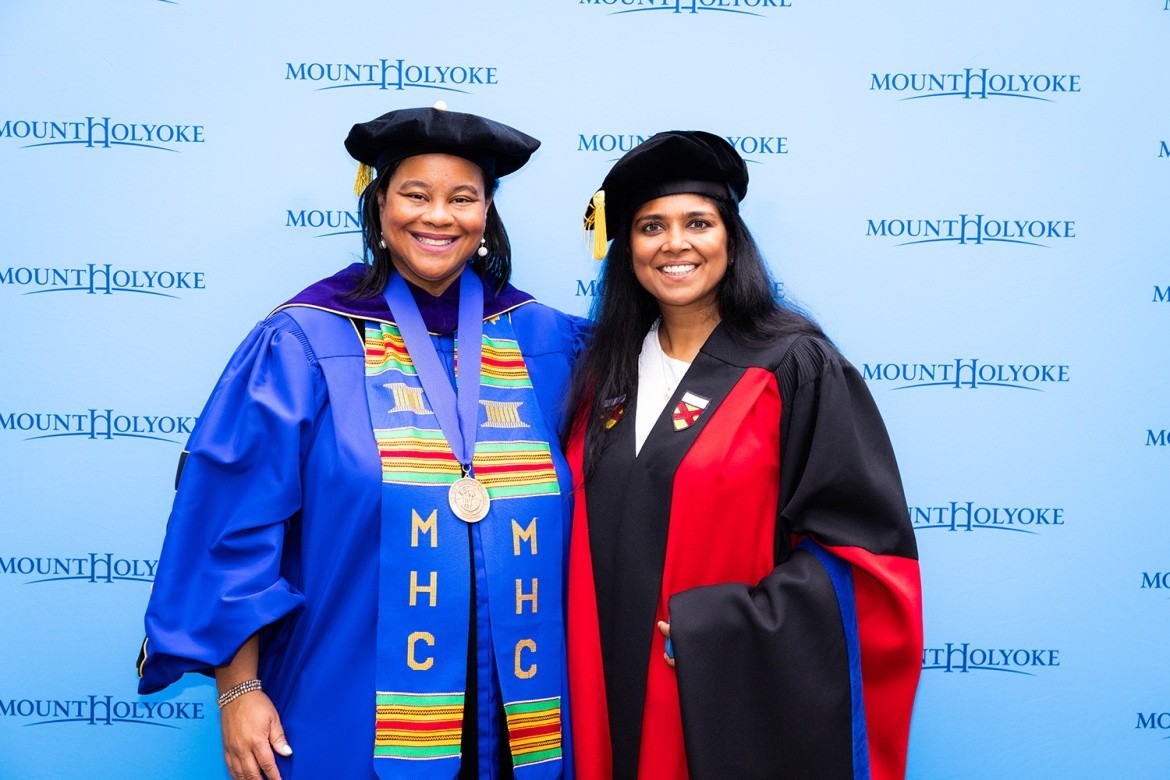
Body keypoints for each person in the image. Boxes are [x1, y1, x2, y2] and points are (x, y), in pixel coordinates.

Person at [137, 105, 586, 780]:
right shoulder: (304, 341)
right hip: (350, 703)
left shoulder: (545, 340)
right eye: (415, 194)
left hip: (516, 705)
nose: (438, 216)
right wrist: (239, 688)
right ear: (379, 207)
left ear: (486, 215)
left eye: (463, 198)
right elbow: (234, 522)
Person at [564, 131, 923, 780]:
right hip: (602, 691)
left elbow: (865, 555)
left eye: (697, 222)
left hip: (714, 693)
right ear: (626, 250)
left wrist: (729, 626)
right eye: (650, 226)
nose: (675, 243)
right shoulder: (601, 376)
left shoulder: (793, 367)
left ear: (731, 239)